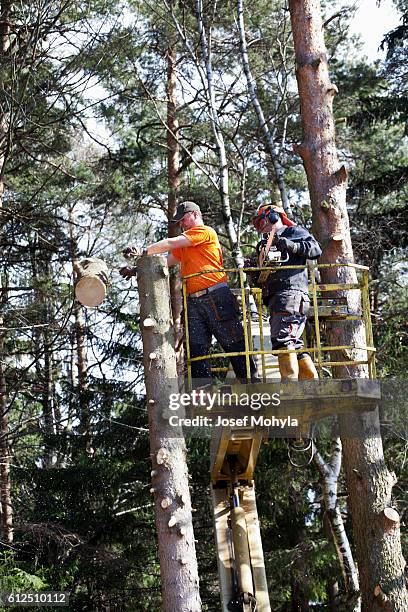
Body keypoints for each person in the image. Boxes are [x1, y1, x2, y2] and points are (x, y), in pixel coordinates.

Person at [120, 201, 258, 386]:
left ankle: (253, 387)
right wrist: (137, 269)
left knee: (233, 342)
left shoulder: (204, 232)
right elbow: (166, 261)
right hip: (194, 301)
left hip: (216, 296)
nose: (181, 225)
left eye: (183, 220)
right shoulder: (185, 246)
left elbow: (170, 243)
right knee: (196, 350)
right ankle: (203, 398)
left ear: (194, 214)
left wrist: (142, 251)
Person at [250, 203, 322, 380]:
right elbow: (262, 278)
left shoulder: (293, 232)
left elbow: (315, 249)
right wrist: (253, 271)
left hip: (291, 294)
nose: (260, 227)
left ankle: (290, 390)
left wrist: (289, 245)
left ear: (274, 217)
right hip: (277, 298)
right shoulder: (264, 245)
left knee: (284, 340)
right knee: (292, 343)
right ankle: (310, 385)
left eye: (262, 221)